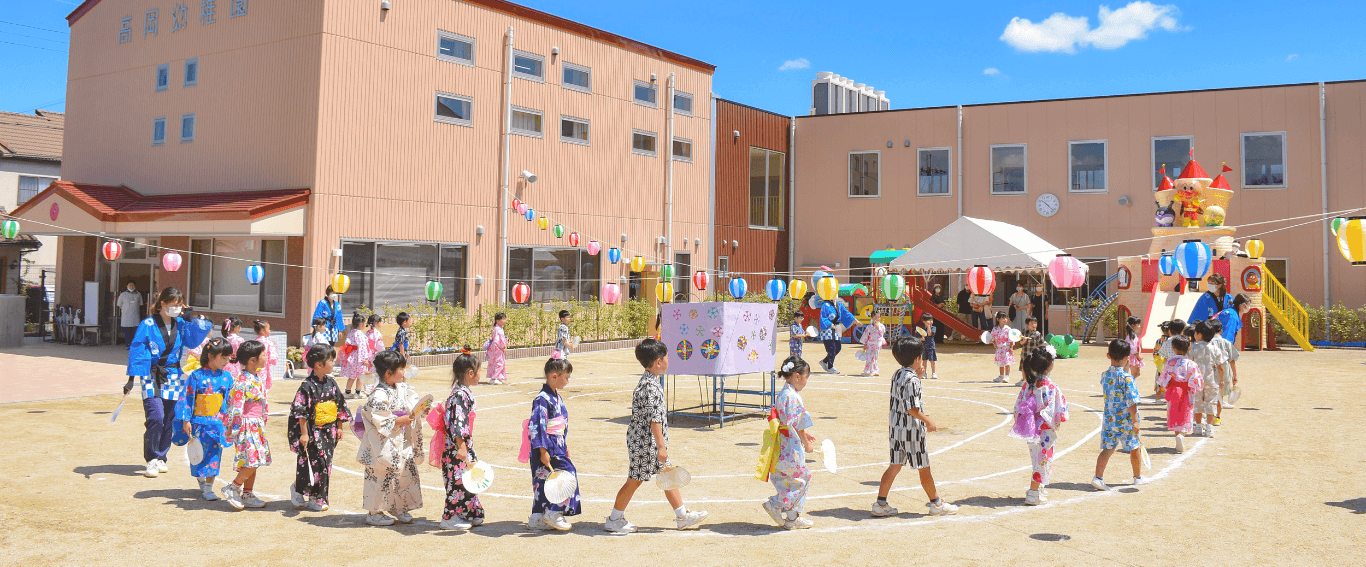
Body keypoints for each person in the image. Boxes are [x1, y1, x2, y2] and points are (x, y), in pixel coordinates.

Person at [605, 339, 709, 533]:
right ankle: (614, 518)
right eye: (667, 357)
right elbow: (655, 420)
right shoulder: (650, 387)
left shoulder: (649, 382)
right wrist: (661, 447)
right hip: (646, 443)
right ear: (658, 362)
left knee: (666, 473)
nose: (669, 359)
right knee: (634, 480)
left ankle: (682, 516)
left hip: (645, 441)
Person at [125, 287, 214, 479]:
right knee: (155, 416)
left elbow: (196, 338)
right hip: (151, 374)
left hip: (174, 374)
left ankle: (161, 457)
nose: (177, 308)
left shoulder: (181, 324)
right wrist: (131, 379)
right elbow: (137, 350)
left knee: (169, 418)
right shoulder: (147, 324)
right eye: (173, 305)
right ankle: (151, 459)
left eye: (180, 305)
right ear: (163, 304)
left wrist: (190, 317)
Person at [872, 337, 959, 517]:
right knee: (924, 468)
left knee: (894, 466)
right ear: (918, 358)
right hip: (912, 431)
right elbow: (911, 407)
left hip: (896, 429)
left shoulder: (898, 374)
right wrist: (928, 421)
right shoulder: (913, 380)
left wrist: (917, 376)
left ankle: (880, 503)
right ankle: (936, 503)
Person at [357, 349, 427, 526]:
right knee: (381, 475)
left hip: (401, 440)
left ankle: (398, 506)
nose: (404, 372)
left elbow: (412, 404)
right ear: (389, 373)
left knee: (404, 474)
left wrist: (419, 410)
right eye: (401, 369)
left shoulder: (403, 388)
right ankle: (374, 512)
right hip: (383, 443)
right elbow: (379, 418)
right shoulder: (378, 395)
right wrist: (397, 420)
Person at [288, 343, 351, 512]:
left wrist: (339, 426)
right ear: (318, 365)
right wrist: (303, 434)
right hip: (312, 431)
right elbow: (300, 412)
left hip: (328, 431)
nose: (333, 363)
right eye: (330, 360)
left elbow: (339, 405)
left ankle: (317, 496)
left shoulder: (331, 382)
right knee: (315, 464)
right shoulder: (307, 386)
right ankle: (301, 489)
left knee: (325, 464)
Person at [763, 356, 818, 530]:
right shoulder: (792, 396)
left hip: (782, 443)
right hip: (790, 446)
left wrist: (803, 434)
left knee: (787, 479)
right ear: (796, 376)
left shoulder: (783, 394)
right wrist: (805, 442)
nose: (806, 381)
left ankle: (792, 518)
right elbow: (797, 423)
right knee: (802, 478)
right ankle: (776, 503)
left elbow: (790, 422)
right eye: (806, 376)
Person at [1011, 346, 1069, 506]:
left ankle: (1039, 488)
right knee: (1042, 461)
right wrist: (1057, 422)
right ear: (1050, 365)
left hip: (1030, 430)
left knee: (1037, 459)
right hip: (1046, 430)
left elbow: (1017, 408)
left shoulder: (1028, 385)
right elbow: (1059, 411)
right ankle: (1033, 492)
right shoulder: (1051, 388)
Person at [179, 337, 235, 501]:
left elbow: (230, 401)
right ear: (210, 356)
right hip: (199, 422)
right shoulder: (195, 376)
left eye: (227, 358)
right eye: (222, 357)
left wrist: (231, 421)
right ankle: (202, 480)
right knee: (199, 453)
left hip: (218, 423)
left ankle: (209, 487)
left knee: (214, 454)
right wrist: (185, 419)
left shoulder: (227, 377)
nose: (226, 361)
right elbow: (187, 398)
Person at [528, 357, 580, 531]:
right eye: (566, 377)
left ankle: (537, 517)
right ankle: (553, 511)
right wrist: (543, 450)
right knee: (566, 476)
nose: (567, 381)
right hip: (546, 445)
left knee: (544, 479)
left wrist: (564, 445)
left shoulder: (556, 397)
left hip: (556, 443)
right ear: (554, 376)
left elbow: (561, 423)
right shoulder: (542, 399)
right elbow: (537, 426)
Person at [222, 340, 271, 510]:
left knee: (254, 459)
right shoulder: (242, 381)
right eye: (263, 355)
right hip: (245, 425)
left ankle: (247, 493)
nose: (266, 357)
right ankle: (233, 487)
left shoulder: (255, 377)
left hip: (256, 424)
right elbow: (236, 406)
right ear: (252, 360)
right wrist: (235, 428)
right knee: (252, 460)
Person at [1092, 340, 1146, 491]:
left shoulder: (1105, 375)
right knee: (1135, 447)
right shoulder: (1128, 379)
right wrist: (1135, 421)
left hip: (1110, 420)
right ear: (1127, 358)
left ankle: (1098, 477)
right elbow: (1132, 401)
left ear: (1108, 355)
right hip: (1126, 421)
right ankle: (1137, 477)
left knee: (1108, 449)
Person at [440, 349, 484, 530]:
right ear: (470, 373)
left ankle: (470, 511)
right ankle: (449, 517)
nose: (482, 374)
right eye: (480, 370)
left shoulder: (463, 392)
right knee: (458, 480)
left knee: (469, 478)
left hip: (464, 444)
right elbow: (458, 423)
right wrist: (461, 446)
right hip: (457, 447)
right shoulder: (459, 395)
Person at [1156, 335, 1202, 454]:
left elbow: (1164, 378)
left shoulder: (1170, 362)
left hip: (1173, 390)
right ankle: (1182, 434)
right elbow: (1196, 380)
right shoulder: (1192, 364)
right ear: (1189, 348)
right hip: (1187, 391)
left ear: (1174, 348)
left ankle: (1178, 435)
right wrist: (1193, 386)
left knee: (1174, 411)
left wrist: (1162, 388)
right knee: (1186, 412)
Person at [1188, 321, 1226, 439]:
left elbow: (1189, 363)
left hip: (1196, 381)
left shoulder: (1192, 348)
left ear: (1199, 334)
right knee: (1211, 404)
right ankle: (1209, 428)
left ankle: (1198, 426)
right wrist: (1222, 380)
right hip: (1211, 380)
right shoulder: (1215, 349)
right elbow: (1220, 366)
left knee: (1197, 403)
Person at [1206, 319, 1239, 423]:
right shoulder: (1227, 343)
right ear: (1221, 331)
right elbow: (1232, 360)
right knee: (1220, 394)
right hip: (1224, 371)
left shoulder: (1207, 343)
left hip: (1210, 370)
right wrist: (1235, 375)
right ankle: (1217, 417)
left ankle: (1208, 416)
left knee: (1209, 394)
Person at [339, 313, 373, 399]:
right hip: (359, 357)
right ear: (361, 324)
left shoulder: (351, 333)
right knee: (360, 376)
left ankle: (347, 391)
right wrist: (365, 359)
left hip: (352, 357)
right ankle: (358, 392)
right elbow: (362, 347)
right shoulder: (359, 334)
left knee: (352, 376)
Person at [117, 279, 144, 348]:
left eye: (133, 285)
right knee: (127, 332)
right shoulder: (123, 294)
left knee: (135, 331)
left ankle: (134, 345)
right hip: (126, 316)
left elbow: (140, 304)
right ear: (127, 286)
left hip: (135, 316)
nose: (131, 286)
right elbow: (119, 305)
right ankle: (128, 344)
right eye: (130, 285)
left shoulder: (138, 294)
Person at [252, 320, 279, 391]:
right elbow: (272, 358)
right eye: (268, 329)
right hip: (264, 366)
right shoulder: (268, 342)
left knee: (255, 384)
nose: (270, 330)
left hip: (254, 366)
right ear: (262, 331)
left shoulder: (255, 341)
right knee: (263, 386)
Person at [990, 312, 1015, 383]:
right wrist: (994, 343)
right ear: (998, 319)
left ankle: (1007, 376)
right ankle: (1001, 376)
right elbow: (993, 337)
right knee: (1000, 363)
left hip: (1006, 348)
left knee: (1007, 362)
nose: (1005, 319)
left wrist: (1011, 347)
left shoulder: (1008, 329)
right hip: (999, 348)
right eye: (1003, 318)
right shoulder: (995, 329)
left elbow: (1011, 338)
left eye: (1006, 318)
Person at [860, 311, 887, 377]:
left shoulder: (881, 326)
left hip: (877, 344)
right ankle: (868, 371)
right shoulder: (869, 327)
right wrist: (865, 344)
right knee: (869, 357)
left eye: (878, 317)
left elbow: (882, 333)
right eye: (875, 317)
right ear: (872, 318)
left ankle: (874, 370)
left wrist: (878, 327)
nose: (877, 319)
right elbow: (866, 335)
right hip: (870, 344)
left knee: (875, 357)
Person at [485, 312, 508, 385]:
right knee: (499, 363)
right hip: (497, 349)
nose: (504, 321)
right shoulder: (498, 329)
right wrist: (503, 347)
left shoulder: (499, 328)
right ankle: (494, 378)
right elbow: (498, 341)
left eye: (505, 319)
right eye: (503, 319)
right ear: (497, 321)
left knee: (496, 363)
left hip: (496, 349)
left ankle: (497, 377)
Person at [915, 312, 939, 380]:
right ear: (924, 321)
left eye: (931, 320)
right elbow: (916, 338)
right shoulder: (920, 329)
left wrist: (928, 327)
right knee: (924, 361)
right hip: (923, 347)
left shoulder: (933, 328)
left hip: (931, 347)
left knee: (932, 361)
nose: (931, 322)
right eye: (929, 320)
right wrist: (921, 339)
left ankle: (934, 373)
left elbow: (930, 334)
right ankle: (924, 373)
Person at [222, 316, 245, 382]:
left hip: (225, 364)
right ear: (237, 327)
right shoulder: (239, 340)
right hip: (237, 364)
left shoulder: (225, 340)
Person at [1123, 316, 1144, 380]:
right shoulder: (1130, 337)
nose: (1139, 326)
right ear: (1133, 326)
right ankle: (1129, 386)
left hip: (1134, 357)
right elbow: (1132, 348)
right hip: (1132, 357)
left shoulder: (1132, 335)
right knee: (1134, 374)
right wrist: (1138, 355)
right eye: (1138, 324)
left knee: (1136, 373)